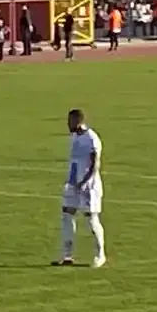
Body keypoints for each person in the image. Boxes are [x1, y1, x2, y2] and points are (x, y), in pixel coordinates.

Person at [54, 109, 106, 268]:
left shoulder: (91, 139)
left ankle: (100, 255)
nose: (67, 124)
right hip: (72, 183)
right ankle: (67, 255)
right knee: (67, 214)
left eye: (70, 121)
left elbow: (95, 164)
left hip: (88, 186)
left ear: (78, 121)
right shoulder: (74, 136)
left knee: (91, 218)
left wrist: (84, 182)